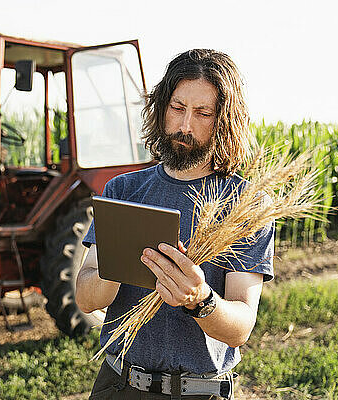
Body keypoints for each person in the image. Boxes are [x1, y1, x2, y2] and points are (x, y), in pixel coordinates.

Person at [75, 49, 275, 400]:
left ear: (224, 121)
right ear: (162, 108)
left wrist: (200, 299)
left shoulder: (246, 205)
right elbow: (85, 298)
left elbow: (241, 326)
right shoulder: (123, 190)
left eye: (202, 113)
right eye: (177, 108)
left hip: (199, 393)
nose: (185, 126)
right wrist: (118, 265)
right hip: (119, 385)